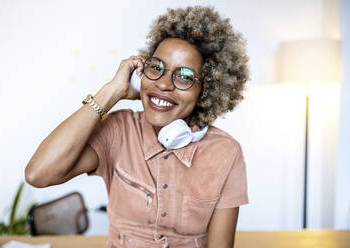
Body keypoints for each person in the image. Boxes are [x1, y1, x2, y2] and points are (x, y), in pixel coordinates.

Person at [25, 5, 249, 248]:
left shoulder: (226, 152)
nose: (163, 85)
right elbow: (38, 174)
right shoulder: (119, 130)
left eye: (184, 76)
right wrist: (111, 92)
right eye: (156, 68)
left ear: (207, 89)